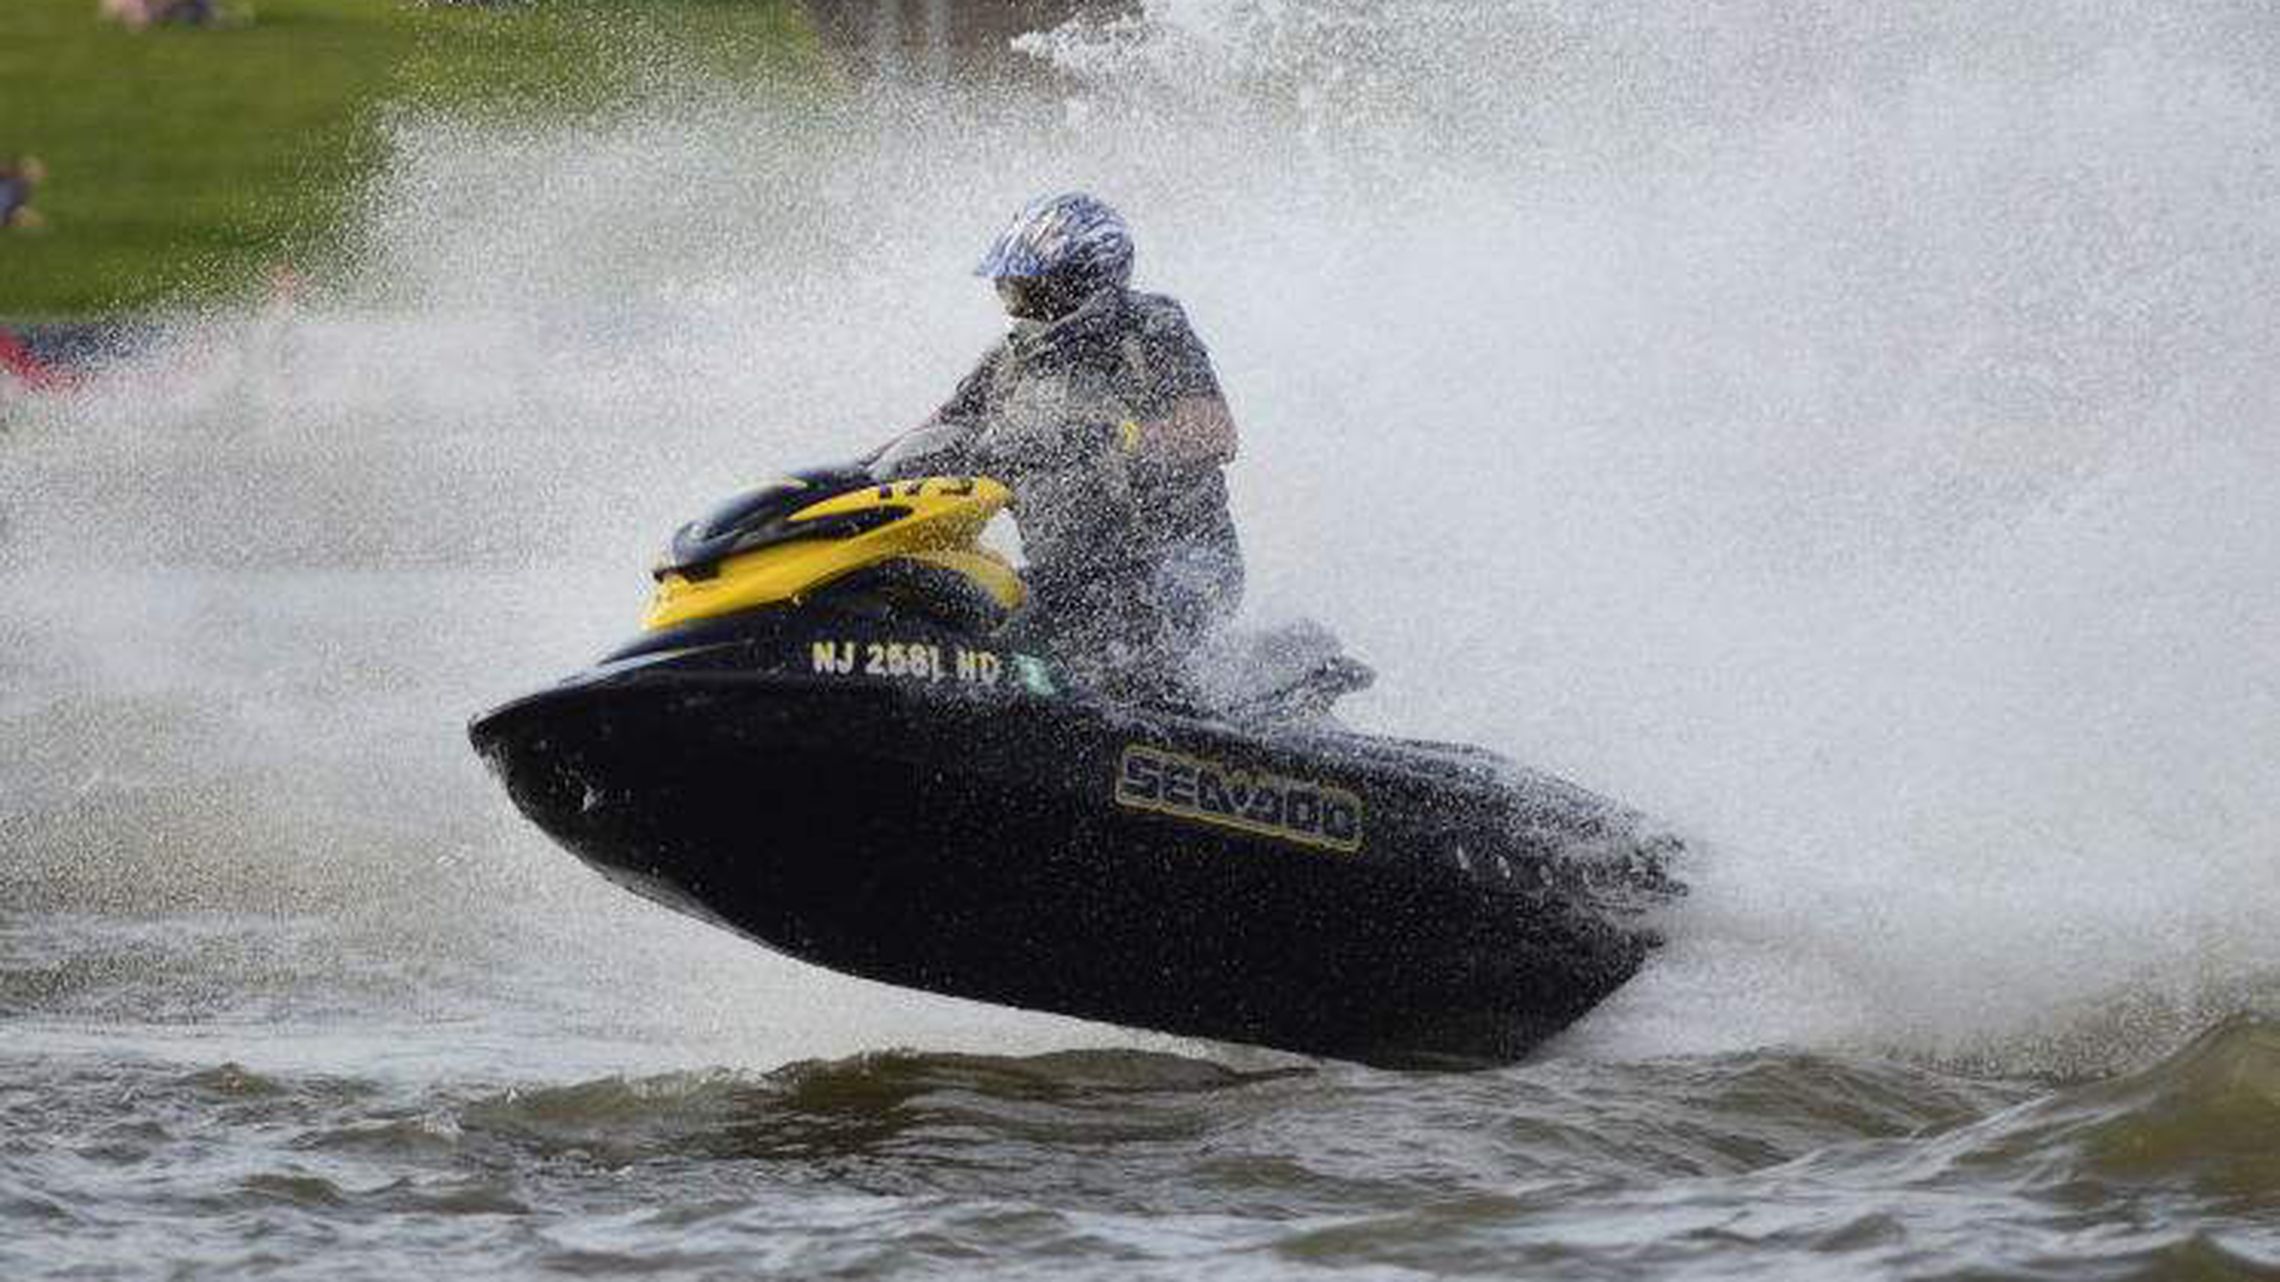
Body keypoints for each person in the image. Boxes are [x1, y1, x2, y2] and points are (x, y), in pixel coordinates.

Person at [870, 192, 1244, 701]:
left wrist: (1121, 437)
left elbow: (1214, 431)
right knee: (969, 620)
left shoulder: (1151, 327)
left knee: (1108, 625)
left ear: (1086, 283)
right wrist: (854, 475)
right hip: (1065, 578)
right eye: (1013, 289)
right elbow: (934, 432)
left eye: (1034, 289)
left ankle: (1177, 728)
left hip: (1183, 564)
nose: (1020, 303)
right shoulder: (1009, 360)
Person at [0, 156, 46, 231]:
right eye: (31, 174)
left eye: (35, 176)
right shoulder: (9, 179)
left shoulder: (25, 191)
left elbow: (17, 207)